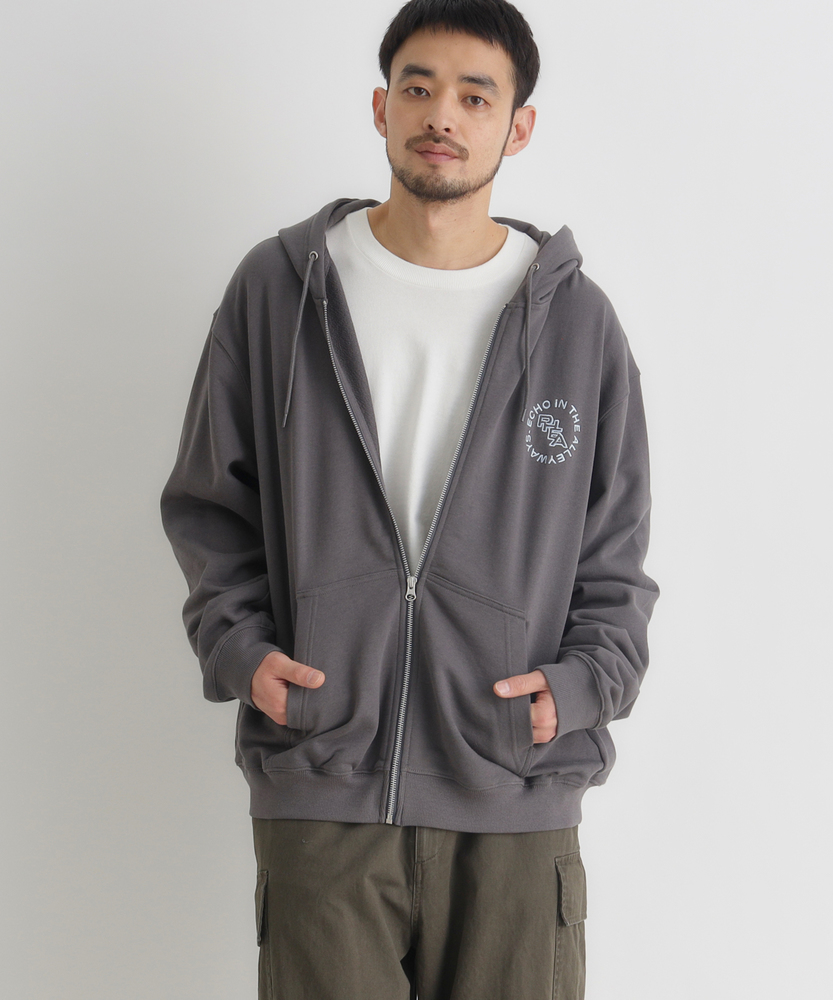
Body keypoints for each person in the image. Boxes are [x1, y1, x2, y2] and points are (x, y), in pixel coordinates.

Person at [160, 1, 659, 997]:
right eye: (419, 88)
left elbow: (613, 559)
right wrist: (243, 654)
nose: (442, 115)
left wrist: (574, 690)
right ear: (381, 106)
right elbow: (213, 509)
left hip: (512, 787)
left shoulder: (578, 325)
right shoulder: (278, 291)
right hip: (323, 782)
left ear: (516, 126)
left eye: (475, 96)